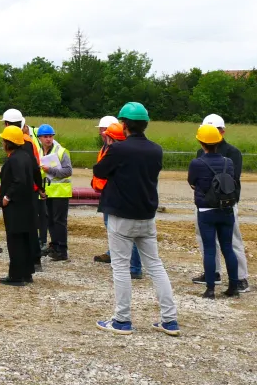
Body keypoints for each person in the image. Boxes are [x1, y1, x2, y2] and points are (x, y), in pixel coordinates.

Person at [94, 102, 180, 337]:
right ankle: (169, 320)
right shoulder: (156, 149)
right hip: (146, 216)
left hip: (122, 216)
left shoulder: (119, 149)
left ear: (124, 124)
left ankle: (122, 320)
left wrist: (112, 148)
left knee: (120, 267)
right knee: (155, 265)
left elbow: (99, 171)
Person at [193, 114, 249, 292]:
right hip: (206, 204)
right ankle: (213, 273)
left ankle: (241, 278)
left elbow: (232, 180)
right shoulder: (200, 152)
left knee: (232, 241)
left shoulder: (233, 153)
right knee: (205, 240)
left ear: (223, 131)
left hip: (226, 204)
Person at [92, 121, 142, 278]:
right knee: (116, 230)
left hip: (117, 197)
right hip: (110, 194)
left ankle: (133, 268)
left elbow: (100, 170)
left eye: (105, 132)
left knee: (125, 233)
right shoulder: (117, 150)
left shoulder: (117, 152)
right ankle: (124, 262)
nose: (102, 134)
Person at [0, 126, 41, 285]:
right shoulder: (26, 156)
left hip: (16, 207)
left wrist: (7, 196)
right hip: (27, 205)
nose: (2, 143)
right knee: (26, 239)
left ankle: (16, 276)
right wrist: (41, 189)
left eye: (4, 140)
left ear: (9, 143)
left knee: (15, 241)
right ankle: (27, 273)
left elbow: (19, 180)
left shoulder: (14, 159)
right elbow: (35, 172)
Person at [3, 108, 44, 269]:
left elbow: (25, 170)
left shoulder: (20, 143)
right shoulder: (28, 141)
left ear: (6, 124)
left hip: (23, 192)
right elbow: (34, 167)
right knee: (29, 226)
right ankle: (29, 261)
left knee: (22, 229)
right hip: (30, 189)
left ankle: (29, 261)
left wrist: (7, 195)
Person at [36, 124, 73, 262]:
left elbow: (68, 171)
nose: (48, 139)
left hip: (61, 192)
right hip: (47, 192)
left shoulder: (61, 151)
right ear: (39, 138)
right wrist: (40, 189)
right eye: (45, 136)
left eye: (50, 136)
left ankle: (62, 250)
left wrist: (50, 170)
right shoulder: (39, 152)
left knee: (59, 222)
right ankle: (55, 246)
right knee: (50, 220)